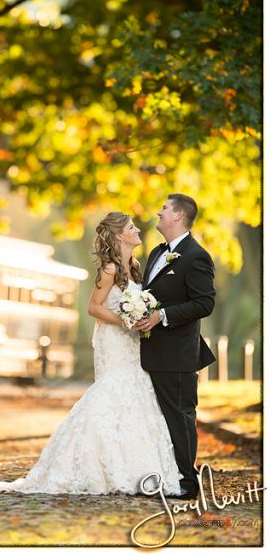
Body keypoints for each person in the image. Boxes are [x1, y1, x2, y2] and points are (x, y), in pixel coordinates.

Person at [0, 212, 181, 495]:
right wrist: (125, 319)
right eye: (132, 227)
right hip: (115, 339)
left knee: (135, 392)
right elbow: (94, 307)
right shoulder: (109, 270)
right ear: (120, 235)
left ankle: (137, 466)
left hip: (132, 343)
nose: (137, 231)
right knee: (111, 390)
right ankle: (95, 464)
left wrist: (141, 313)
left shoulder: (133, 267)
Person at [136, 194, 215, 500]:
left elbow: (204, 302)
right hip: (152, 353)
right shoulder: (157, 252)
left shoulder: (196, 256)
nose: (159, 211)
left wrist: (162, 316)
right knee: (159, 417)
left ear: (179, 215)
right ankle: (166, 474)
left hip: (178, 354)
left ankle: (187, 480)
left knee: (180, 417)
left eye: (165, 208)